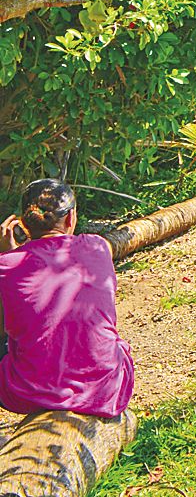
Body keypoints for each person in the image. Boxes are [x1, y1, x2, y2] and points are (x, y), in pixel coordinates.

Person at [0, 179, 135, 418]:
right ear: (71, 218)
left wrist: (7, 254)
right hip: (106, 387)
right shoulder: (98, 247)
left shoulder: (6, 265)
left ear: (24, 223)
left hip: (28, 392)